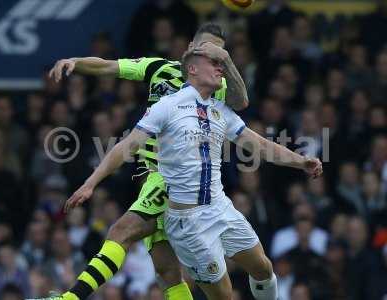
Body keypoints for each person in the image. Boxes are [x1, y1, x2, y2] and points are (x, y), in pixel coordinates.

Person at [55, 51, 322, 299]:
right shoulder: (167, 106)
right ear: (192, 69)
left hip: (220, 208)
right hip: (188, 222)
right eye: (213, 63)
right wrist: (91, 183)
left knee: (264, 268)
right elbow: (127, 146)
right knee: (221, 294)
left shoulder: (220, 110)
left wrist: (301, 162)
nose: (220, 69)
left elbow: (261, 145)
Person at [36, 23, 248, 300]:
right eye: (206, 49)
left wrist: (229, 66)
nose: (212, 57)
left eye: (218, 55)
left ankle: (70, 298)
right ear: (189, 50)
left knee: (120, 231)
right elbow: (108, 67)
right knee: (166, 270)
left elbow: (241, 101)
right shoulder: (159, 68)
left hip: (175, 179)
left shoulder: (217, 86)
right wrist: (76, 62)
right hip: (150, 176)